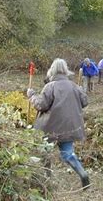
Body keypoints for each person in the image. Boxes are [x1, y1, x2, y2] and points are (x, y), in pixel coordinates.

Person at [27, 58, 90, 190]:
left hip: (50, 127)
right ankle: (83, 173)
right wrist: (80, 90)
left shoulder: (51, 86)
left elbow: (41, 105)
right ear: (65, 70)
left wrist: (32, 95)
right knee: (67, 153)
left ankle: (46, 180)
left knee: (45, 152)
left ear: (52, 70)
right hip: (70, 127)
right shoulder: (74, 86)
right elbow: (85, 102)